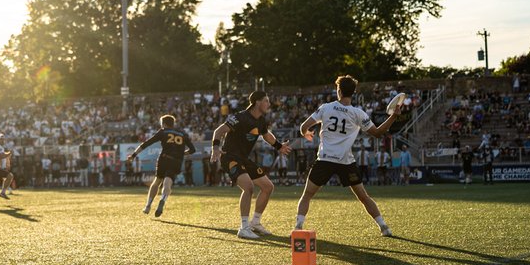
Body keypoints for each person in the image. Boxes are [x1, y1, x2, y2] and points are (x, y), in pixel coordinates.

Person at [293, 76, 399, 237]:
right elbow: (378, 133)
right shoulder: (358, 113)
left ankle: (298, 228)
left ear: (339, 91)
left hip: (325, 159)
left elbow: (303, 127)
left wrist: (306, 133)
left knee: (307, 195)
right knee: (363, 197)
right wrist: (393, 116)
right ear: (353, 92)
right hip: (345, 161)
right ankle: (384, 227)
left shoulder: (326, 108)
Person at [209, 91, 291, 239]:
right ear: (257, 102)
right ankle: (244, 227)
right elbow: (218, 131)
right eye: (266, 101)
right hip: (230, 157)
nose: (268, 103)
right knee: (248, 187)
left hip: (244, 159)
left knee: (268, 187)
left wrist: (279, 146)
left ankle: (255, 223)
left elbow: (267, 136)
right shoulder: (240, 117)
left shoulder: (261, 121)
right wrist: (215, 148)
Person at [126, 114, 196, 217]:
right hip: (176, 160)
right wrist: (182, 153)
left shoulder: (163, 132)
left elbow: (146, 143)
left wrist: (133, 155)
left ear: (163, 124)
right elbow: (193, 150)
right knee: (168, 181)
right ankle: (163, 199)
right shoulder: (182, 134)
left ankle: (148, 205)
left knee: (157, 181)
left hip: (164, 158)